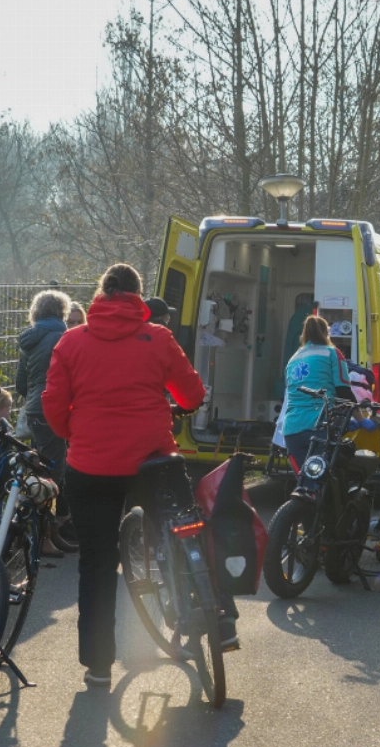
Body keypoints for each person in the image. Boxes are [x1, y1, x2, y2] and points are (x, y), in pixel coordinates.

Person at [41, 263, 236, 689]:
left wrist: (79, 433)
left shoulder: (71, 342)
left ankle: (98, 667)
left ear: (101, 293)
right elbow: (192, 394)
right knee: (188, 527)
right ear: (138, 296)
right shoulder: (158, 338)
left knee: (97, 561)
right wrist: (178, 405)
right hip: (153, 460)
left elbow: (53, 405)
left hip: (91, 466)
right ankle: (219, 619)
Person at [15, 289, 73, 558]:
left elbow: (20, 383)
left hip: (35, 410)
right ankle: (41, 537)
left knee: (43, 470)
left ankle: (49, 533)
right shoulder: (64, 337)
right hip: (55, 409)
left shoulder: (29, 340)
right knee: (52, 475)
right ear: (62, 311)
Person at [282, 315, 353, 476]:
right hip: (320, 427)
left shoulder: (293, 359)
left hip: (292, 430)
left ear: (304, 334)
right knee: (325, 480)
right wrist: (362, 420)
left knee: (305, 481)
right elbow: (344, 392)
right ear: (327, 334)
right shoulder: (332, 353)